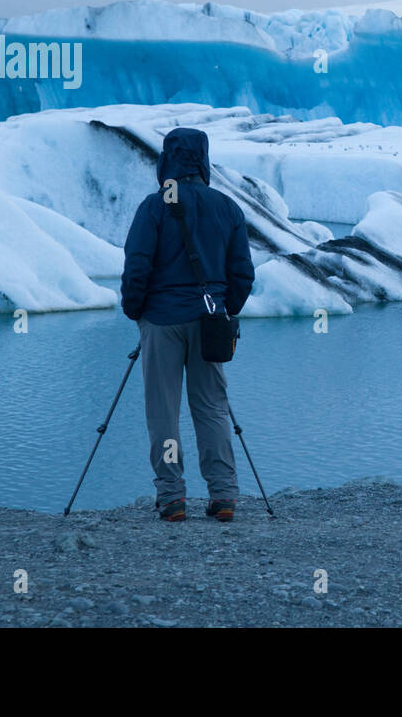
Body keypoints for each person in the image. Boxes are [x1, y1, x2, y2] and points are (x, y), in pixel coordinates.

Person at [120, 128, 255, 522]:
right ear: (203, 161)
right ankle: (224, 496)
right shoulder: (226, 207)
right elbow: (242, 273)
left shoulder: (153, 207)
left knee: (164, 411)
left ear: (168, 161)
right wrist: (224, 310)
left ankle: (172, 498)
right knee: (212, 408)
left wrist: (136, 311)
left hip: (161, 321)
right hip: (209, 322)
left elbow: (137, 265)